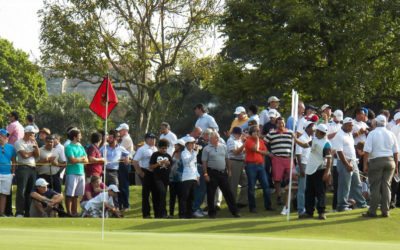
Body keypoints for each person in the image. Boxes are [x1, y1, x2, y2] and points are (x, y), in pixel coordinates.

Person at [362, 115, 398, 217]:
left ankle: (372, 211)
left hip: (376, 161)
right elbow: (396, 152)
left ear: (376, 123)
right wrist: (397, 167)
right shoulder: (390, 133)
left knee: (375, 186)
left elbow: (366, 151)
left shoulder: (372, 133)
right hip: (390, 161)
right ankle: (385, 211)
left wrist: (365, 165)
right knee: (386, 186)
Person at [296, 124, 332, 220]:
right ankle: (309, 212)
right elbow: (304, 145)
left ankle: (321, 212)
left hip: (320, 169)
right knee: (309, 192)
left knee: (320, 192)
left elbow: (329, 160)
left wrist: (327, 172)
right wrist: (295, 139)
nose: (314, 132)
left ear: (320, 132)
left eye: (316, 131)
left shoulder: (326, 144)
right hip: (310, 169)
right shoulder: (315, 140)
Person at [202, 131, 240, 218]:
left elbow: (227, 159)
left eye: (218, 137)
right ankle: (212, 213)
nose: (218, 139)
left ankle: (235, 212)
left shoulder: (223, 146)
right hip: (212, 172)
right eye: (216, 137)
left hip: (222, 173)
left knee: (228, 193)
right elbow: (204, 162)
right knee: (211, 194)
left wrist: (229, 170)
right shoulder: (206, 149)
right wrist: (205, 174)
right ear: (211, 139)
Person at [332, 117, 367, 211]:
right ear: (345, 125)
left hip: (353, 161)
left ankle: (361, 203)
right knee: (344, 185)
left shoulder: (349, 134)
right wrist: (347, 164)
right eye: (350, 125)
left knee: (357, 183)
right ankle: (342, 206)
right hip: (344, 162)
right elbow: (339, 152)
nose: (352, 127)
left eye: (352, 125)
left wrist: (354, 161)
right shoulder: (339, 135)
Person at [265, 117, 294, 206]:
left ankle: (290, 197)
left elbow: (295, 143)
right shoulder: (272, 133)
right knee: (277, 179)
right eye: (279, 123)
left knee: (291, 177)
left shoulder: (290, 132)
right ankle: (279, 196)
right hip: (277, 158)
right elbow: (264, 142)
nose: (281, 125)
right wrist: (268, 153)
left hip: (288, 158)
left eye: (282, 123)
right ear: (276, 124)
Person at [244, 125, 273, 213]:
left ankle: (268, 206)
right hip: (251, 166)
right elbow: (255, 148)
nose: (257, 133)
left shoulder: (261, 141)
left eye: (258, 131)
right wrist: (257, 141)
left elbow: (267, 152)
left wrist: (259, 151)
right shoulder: (248, 141)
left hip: (260, 165)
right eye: (255, 131)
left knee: (266, 186)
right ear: (251, 133)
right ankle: (252, 208)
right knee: (251, 187)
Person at [14, 125, 40, 217]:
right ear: (27, 133)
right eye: (32, 133)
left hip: (32, 168)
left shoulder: (33, 142)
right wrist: (32, 153)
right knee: (21, 191)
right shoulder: (18, 142)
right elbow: (24, 155)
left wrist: (36, 147)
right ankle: (19, 212)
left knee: (30, 192)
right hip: (23, 168)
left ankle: (28, 212)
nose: (34, 135)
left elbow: (37, 155)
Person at [132, 132, 158, 218]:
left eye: (154, 138)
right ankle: (146, 214)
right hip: (145, 171)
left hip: (154, 173)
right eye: (151, 138)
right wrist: (140, 173)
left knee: (155, 193)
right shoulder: (142, 149)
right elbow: (135, 162)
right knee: (146, 194)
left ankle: (157, 213)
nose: (153, 140)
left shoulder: (155, 149)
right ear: (146, 139)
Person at [64, 128, 88, 216]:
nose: (81, 136)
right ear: (75, 137)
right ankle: (69, 212)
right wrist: (81, 158)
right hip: (71, 173)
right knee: (70, 194)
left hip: (81, 172)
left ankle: (75, 212)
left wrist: (79, 159)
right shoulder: (68, 147)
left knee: (76, 195)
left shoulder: (80, 146)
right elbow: (72, 160)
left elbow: (87, 160)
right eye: (79, 135)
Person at [149, 139, 173, 218]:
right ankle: (162, 213)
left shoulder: (168, 156)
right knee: (162, 192)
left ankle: (162, 214)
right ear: (159, 147)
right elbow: (151, 167)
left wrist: (168, 164)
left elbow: (171, 166)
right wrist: (159, 163)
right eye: (162, 148)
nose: (164, 150)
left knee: (163, 195)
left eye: (165, 148)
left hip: (166, 179)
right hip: (157, 178)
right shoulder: (155, 155)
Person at [295, 121, 314, 216]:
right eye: (311, 127)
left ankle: (306, 207)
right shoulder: (302, 138)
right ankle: (300, 209)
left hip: (309, 165)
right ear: (306, 128)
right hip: (303, 165)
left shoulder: (311, 138)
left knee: (307, 189)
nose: (313, 129)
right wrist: (301, 169)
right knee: (302, 189)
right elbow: (298, 154)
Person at [227, 127, 248, 208]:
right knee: (233, 185)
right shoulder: (230, 140)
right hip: (234, 162)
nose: (240, 135)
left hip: (241, 162)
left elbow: (242, 150)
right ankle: (232, 204)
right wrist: (244, 145)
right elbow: (235, 152)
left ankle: (241, 202)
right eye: (239, 134)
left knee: (246, 183)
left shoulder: (239, 140)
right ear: (235, 133)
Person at [179, 136, 200, 218]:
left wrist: (198, 176)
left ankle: (189, 213)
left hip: (194, 177)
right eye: (192, 143)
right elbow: (187, 162)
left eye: (194, 143)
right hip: (187, 177)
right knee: (185, 196)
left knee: (192, 197)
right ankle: (182, 214)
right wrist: (195, 153)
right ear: (187, 144)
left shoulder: (193, 153)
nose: (194, 145)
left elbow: (195, 166)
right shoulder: (184, 153)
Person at [116, 123, 134, 211]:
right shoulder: (123, 138)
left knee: (124, 185)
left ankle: (126, 205)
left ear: (125, 130)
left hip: (124, 163)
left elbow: (118, 150)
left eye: (120, 130)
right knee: (121, 185)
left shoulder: (126, 139)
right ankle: (122, 204)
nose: (119, 132)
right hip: (121, 163)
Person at [0, 129, 16, 217]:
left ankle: (1, 213)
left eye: (6, 136)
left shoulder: (11, 147)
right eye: (3, 135)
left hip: (7, 174)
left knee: (4, 194)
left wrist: (13, 172)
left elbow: (13, 161)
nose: (5, 137)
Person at [169, 139, 185, 217]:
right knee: (172, 197)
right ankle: (171, 214)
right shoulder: (173, 153)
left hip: (181, 179)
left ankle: (181, 214)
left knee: (180, 197)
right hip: (172, 179)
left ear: (180, 146)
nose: (175, 146)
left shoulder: (184, 154)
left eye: (176, 145)